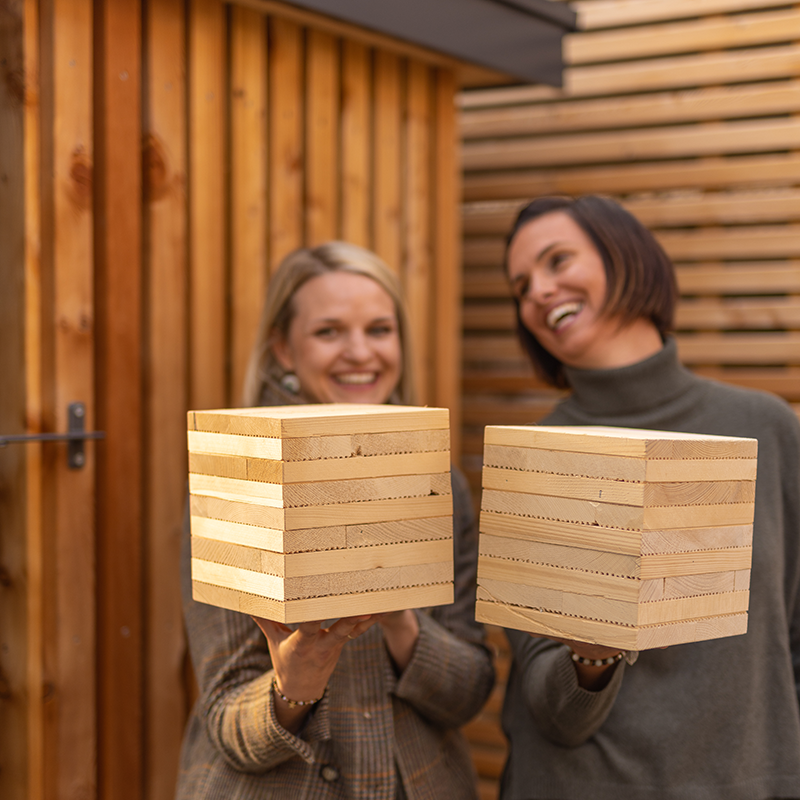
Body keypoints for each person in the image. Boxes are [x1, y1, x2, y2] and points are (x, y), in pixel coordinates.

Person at [498, 195, 800, 799]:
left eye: (558, 260)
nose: (539, 290)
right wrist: (592, 659)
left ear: (627, 257)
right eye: (522, 284)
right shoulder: (538, 453)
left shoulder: (765, 426)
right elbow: (549, 710)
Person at [176, 241, 494, 800]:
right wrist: (295, 686)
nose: (359, 352)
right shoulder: (236, 481)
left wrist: (401, 619)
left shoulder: (443, 486)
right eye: (328, 332)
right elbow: (227, 726)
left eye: (378, 329)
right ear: (283, 349)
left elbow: (468, 693)